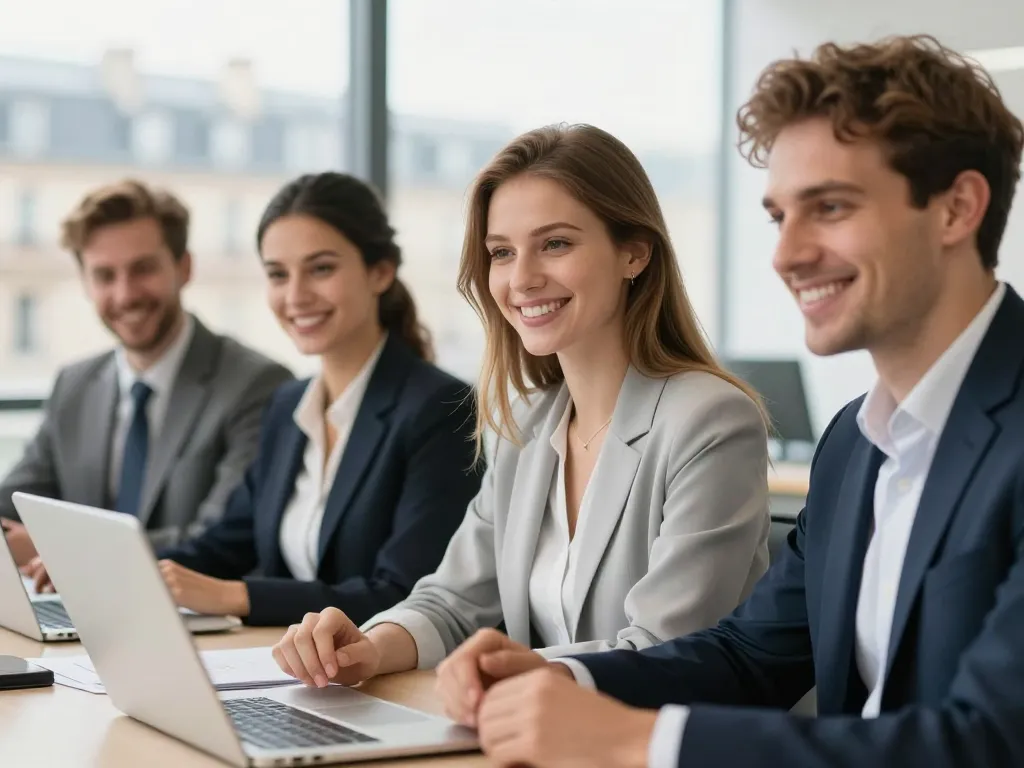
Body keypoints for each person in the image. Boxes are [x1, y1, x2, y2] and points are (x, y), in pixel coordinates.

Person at [414, 34, 1024, 768]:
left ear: (957, 208)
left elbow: (988, 741)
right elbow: (750, 656)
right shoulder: (855, 445)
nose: (786, 254)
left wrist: (633, 738)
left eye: (828, 208)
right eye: (778, 217)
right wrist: (557, 676)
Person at [271, 124, 772, 697]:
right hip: (548, 736)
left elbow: (666, 648)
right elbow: (455, 600)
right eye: (502, 253)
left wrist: (511, 676)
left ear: (634, 252)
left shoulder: (710, 421)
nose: (522, 279)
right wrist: (371, 645)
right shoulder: (526, 425)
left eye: (555, 243)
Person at [148, 172, 482, 627]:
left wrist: (236, 595)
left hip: (391, 679)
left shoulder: (440, 409)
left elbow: (407, 595)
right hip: (294, 669)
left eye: (321, 268)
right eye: (277, 274)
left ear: (380, 272)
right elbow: (226, 544)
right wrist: (123, 569)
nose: (295, 296)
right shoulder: (288, 407)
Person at [2, 179, 292, 572]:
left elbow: (220, 538)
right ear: (86, 283)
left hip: (199, 622)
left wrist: (66, 551)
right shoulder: (75, 384)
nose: (125, 295)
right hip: (77, 613)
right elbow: (13, 503)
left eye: (143, 269)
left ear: (183, 267)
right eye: (104, 275)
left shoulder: (257, 385)